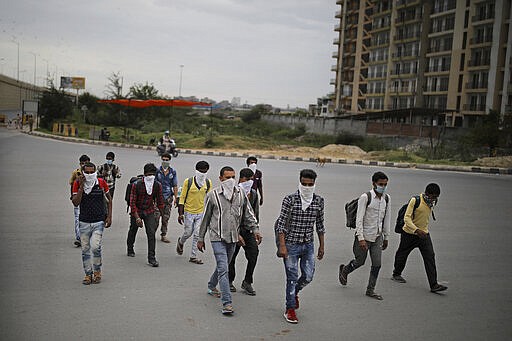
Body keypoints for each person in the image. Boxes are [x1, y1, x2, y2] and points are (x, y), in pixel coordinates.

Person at [197, 166, 260, 315]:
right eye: (227, 177)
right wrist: (200, 238)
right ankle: (227, 303)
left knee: (222, 265)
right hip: (217, 237)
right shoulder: (213, 195)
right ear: (221, 179)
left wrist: (255, 229)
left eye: (233, 177)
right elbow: (205, 218)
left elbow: (248, 214)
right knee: (224, 269)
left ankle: (212, 285)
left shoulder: (241, 195)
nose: (230, 180)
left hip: (233, 238)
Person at [276, 169, 325, 324]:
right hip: (291, 245)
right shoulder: (289, 200)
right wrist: (282, 246)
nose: (306, 187)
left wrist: (322, 246)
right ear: (299, 182)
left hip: (308, 244)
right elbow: (281, 225)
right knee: (291, 277)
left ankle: (295, 292)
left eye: (310, 184)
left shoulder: (319, 201)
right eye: (304, 184)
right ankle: (289, 309)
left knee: (308, 276)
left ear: (314, 184)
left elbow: (320, 225)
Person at [338, 171, 391, 300]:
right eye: (380, 184)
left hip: (377, 237)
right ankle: (345, 269)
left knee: (377, 264)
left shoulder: (387, 198)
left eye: (385, 184)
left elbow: (387, 218)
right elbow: (359, 219)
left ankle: (370, 290)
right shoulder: (365, 197)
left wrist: (386, 237)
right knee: (360, 262)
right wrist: (361, 238)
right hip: (364, 236)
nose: (383, 187)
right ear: (374, 183)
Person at [391, 183, 447, 293]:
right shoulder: (415, 200)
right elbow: (407, 218)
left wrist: (422, 231)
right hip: (409, 234)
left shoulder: (432, 202)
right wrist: (416, 230)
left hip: (424, 234)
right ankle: (396, 273)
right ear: (427, 194)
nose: (434, 199)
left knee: (430, 257)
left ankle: (433, 284)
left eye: (436, 197)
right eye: (433, 197)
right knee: (402, 254)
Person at [71, 162, 112, 285]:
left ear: (95, 172)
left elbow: (109, 199)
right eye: (87, 172)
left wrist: (109, 216)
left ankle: (97, 271)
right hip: (84, 221)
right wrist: (81, 187)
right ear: (83, 173)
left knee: (95, 246)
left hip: (98, 221)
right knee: (85, 249)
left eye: (91, 172)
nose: (89, 175)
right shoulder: (77, 183)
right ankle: (88, 274)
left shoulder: (101, 183)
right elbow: (75, 202)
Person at [228, 168, 261, 295]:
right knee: (231, 257)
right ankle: (230, 280)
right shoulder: (233, 192)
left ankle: (247, 281)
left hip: (248, 230)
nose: (249, 182)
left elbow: (255, 213)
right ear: (240, 179)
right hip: (234, 230)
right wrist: (236, 233)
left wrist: (256, 229)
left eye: (251, 180)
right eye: (247, 180)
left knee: (253, 255)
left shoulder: (253, 193)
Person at [127, 163, 165, 267]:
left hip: (149, 210)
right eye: (148, 175)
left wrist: (163, 217)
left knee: (151, 233)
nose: (150, 177)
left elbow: (160, 202)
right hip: (137, 210)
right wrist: (137, 217)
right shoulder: (136, 185)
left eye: (153, 174)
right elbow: (132, 202)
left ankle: (151, 258)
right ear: (144, 174)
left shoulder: (157, 185)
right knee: (133, 229)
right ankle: (130, 248)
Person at [176, 161, 212, 264]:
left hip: (200, 212)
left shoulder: (208, 183)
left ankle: (193, 256)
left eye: (205, 171)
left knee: (197, 234)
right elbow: (182, 198)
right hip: (188, 212)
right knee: (188, 232)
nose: (202, 173)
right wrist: (180, 213)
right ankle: (181, 242)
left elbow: (210, 198)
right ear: (196, 171)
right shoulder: (189, 181)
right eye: (201, 171)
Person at [154, 153, 178, 243]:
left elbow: (175, 185)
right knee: (156, 217)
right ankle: (152, 233)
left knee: (165, 217)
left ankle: (163, 235)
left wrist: (176, 198)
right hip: (158, 197)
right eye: (164, 159)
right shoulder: (157, 171)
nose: (165, 161)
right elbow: (154, 184)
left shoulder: (173, 172)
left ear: (169, 161)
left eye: (167, 160)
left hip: (168, 197)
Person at [69, 154, 91, 247]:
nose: (84, 165)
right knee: (77, 218)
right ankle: (79, 237)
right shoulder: (76, 172)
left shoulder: (92, 172)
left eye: (86, 163)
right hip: (78, 198)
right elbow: (72, 184)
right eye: (82, 163)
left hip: (88, 200)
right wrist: (72, 196)